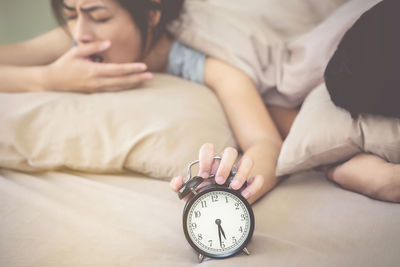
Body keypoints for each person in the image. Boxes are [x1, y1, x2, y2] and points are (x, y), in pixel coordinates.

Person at [0, 0, 398, 204]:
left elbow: (264, 143)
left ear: (152, 15)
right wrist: (46, 77)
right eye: (70, 13)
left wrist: (231, 188)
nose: (80, 33)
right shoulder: (75, 38)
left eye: (98, 16)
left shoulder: (206, 58)